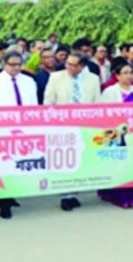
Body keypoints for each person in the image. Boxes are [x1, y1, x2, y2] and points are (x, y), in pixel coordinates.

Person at [0, 51, 38, 218]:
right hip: (1, 131)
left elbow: (33, 106)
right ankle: (3, 203)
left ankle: (12, 194)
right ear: (4, 64)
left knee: (18, 165)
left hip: (24, 129)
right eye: (12, 64)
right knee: (2, 167)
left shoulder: (29, 81)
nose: (16, 68)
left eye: (19, 64)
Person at [43, 53, 102, 211]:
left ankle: (74, 193)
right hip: (62, 125)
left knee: (81, 159)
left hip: (85, 125)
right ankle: (65, 195)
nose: (69, 67)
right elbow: (48, 102)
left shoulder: (93, 79)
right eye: (68, 64)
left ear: (82, 66)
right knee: (65, 160)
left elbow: (97, 103)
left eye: (74, 65)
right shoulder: (56, 77)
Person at [99, 63, 133, 209]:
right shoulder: (109, 91)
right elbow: (105, 113)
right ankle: (118, 196)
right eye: (124, 72)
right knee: (118, 164)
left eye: (130, 72)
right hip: (114, 133)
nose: (128, 75)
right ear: (117, 76)